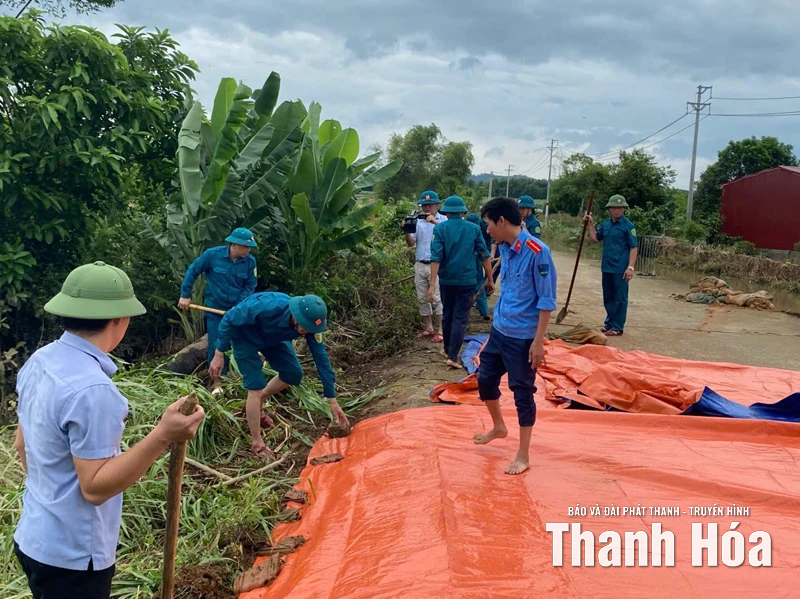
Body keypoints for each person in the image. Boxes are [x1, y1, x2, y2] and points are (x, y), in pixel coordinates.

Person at [13, 262, 205, 599]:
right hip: (72, 560)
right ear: (119, 319)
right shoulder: (93, 390)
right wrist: (164, 434)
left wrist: (51, 498)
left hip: (34, 539)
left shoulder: (40, 361)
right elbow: (95, 487)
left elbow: (21, 444)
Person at [209, 292, 349, 458]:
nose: (306, 332)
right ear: (296, 317)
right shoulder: (267, 306)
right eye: (304, 327)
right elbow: (229, 319)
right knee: (255, 385)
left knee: (293, 373)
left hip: (273, 340)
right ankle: (257, 443)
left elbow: (321, 359)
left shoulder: (309, 327)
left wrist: (332, 400)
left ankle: (258, 402)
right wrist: (219, 353)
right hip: (245, 338)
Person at [475, 197, 557, 475]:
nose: (487, 231)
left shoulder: (537, 252)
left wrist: (538, 342)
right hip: (499, 330)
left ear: (501, 221)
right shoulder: (506, 247)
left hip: (522, 338)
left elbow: (546, 301)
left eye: (488, 225)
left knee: (522, 393)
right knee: (485, 379)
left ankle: (523, 454)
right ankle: (499, 426)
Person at [178, 227, 258, 392]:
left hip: (237, 311)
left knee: (239, 343)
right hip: (215, 311)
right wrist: (185, 295)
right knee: (216, 345)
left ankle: (240, 381)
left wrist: (238, 306)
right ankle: (218, 383)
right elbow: (193, 270)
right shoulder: (212, 255)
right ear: (234, 244)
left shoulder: (250, 262)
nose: (248, 250)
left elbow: (250, 286)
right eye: (245, 246)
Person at [429, 196, 493, 368]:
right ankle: (452, 356)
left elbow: (436, 258)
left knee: (448, 314)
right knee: (460, 318)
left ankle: (447, 350)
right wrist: (490, 279)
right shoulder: (473, 229)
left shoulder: (440, 229)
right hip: (467, 281)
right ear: (462, 211)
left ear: (447, 211)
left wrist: (432, 284)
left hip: (447, 280)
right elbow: (484, 255)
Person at [584, 194, 639, 336]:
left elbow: (633, 247)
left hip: (620, 268)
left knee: (620, 297)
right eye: (614, 207)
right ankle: (609, 323)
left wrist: (630, 267)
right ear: (609, 209)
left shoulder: (628, 226)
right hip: (607, 267)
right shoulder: (606, 225)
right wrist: (590, 223)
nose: (617, 210)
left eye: (620, 208)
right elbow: (596, 238)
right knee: (608, 296)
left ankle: (617, 327)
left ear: (624, 209)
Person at [405, 190, 447, 343]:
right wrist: (406, 230)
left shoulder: (443, 220)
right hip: (420, 263)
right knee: (422, 297)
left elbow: (448, 234)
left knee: (436, 296)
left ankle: (441, 330)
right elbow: (411, 243)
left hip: (436, 264)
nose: (426, 208)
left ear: (436, 204)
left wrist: (434, 222)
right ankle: (428, 327)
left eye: (429, 205)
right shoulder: (418, 222)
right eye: (424, 205)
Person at [466, 213, 492, 321]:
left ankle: (481, 311)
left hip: (469, 261)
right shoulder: (477, 230)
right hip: (474, 260)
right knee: (478, 285)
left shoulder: (466, 231)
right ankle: (484, 311)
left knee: (471, 286)